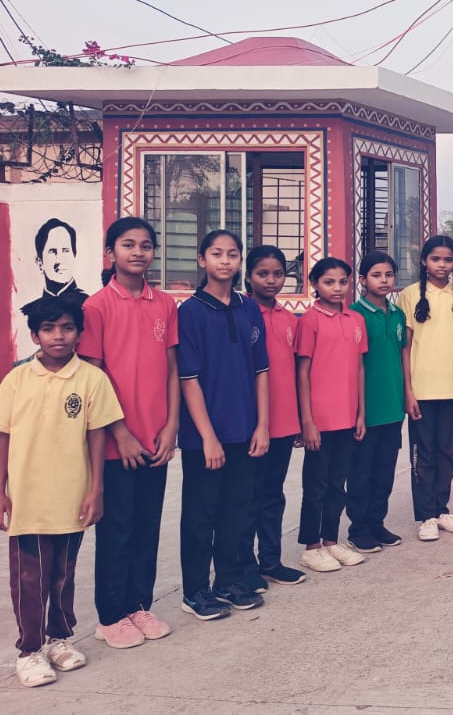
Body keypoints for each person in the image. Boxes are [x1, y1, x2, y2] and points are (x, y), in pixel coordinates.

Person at [0, 296, 121, 688]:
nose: (58, 336)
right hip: (28, 498)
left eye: (66, 328)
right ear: (35, 335)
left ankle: (59, 638)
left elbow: (97, 436)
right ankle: (29, 651)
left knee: (63, 574)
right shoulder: (18, 379)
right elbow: (4, 436)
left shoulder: (92, 380)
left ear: (79, 333)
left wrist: (96, 489)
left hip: (71, 496)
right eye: (48, 329)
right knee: (30, 577)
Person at [80, 217, 178, 649]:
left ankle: (139, 605)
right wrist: (119, 433)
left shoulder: (165, 305)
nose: (138, 252)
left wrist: (171, 426)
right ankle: (111, 615)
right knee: (116, 530)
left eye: (145, 245)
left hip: (155, 440)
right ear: (110, 253)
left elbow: (172, 369)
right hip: (116, 444)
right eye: (128, 244)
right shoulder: (97, 307)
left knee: (147, 526)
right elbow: (94, 376)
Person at [175, 229, 270, 619]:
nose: (226, 261)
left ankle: (228, 580)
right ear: (202, 260)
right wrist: (208, 437)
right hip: (204, 438)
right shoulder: (190, 312)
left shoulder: (249, 309)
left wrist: (262, 425)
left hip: (244, 430)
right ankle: (195, 591)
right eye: (217, 253)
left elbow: (261, 370)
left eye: (233, 254)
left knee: (236, 510)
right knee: (201, 515)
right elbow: (188, 379)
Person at [396, 235, 453, 541]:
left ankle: (442, 509)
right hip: (422, 390)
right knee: (423, 455)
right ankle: (426, 515)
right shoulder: (410, 295)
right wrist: (408, 390)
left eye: (448, 260)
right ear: (424, 261)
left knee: (449, 453)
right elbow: (405, 347)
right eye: (435, 259)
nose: (442, 265)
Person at [293, 257, 367, 572]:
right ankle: (311, 546)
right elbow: (302, 372)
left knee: (338, 483)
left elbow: (359, 368)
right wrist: (307, 421)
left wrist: (361, 413)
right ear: (314, 284)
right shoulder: (310, 320)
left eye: (342, 282)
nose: (337, 288)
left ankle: (331, 540)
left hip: (347, 418)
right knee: (316, 485)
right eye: (329, 282)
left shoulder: (355, 319)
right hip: (320, 421)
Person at [239, 245, 306, 588]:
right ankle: (244, 566)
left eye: (278, 274)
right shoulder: (240, 314)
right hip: (249, 425)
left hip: (283, 422)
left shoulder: (289, 319)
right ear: (248, 276)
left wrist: (299, 421)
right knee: (247, 496)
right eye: (262, 274)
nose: (271, 280)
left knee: (273, 494)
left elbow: (296, 372)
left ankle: (271, 561)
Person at [347, 252, 409, 553]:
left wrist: (407, 395)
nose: (383, 281)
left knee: (385, 470)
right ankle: (358, 529)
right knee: (361, 472)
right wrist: (357, 409)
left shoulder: (398, 315)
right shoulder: (354, 315)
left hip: (392, 407)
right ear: (363, 280)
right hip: (366, 409)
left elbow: (402, 355)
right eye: (376, 275)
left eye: (388, 275)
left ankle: (376, 522)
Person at [32, 218, 88, 307]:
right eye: (52, 251)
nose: (60, 260)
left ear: (74, 256)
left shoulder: (88, 305)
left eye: (66, 251)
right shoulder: (32, 310)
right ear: (40, 263)